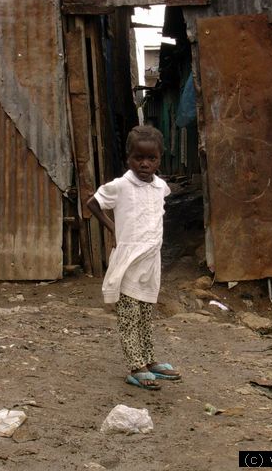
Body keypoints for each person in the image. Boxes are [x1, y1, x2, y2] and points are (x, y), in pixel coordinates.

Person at [87, 125, 181, 390]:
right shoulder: (120, 186)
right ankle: (135, 366)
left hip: (151, 262)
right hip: (129, 261)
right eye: (138, 158)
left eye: (151, 158)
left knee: (145, 314)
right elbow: (92, 202)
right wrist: (112, 227)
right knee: (129, 316)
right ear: (128, 158)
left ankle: (150, 360)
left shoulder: (161, 187)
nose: (144, 164)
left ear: (159, 159)